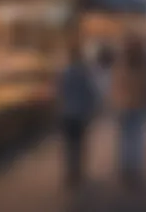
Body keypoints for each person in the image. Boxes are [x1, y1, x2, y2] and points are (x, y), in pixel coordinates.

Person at [111, 35, 146, 185]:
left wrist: (117, 103)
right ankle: (135, 170)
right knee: (137, 141)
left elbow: (116, 86)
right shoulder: (144, 66)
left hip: (124, 106)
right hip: (139, 106)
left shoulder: (121, 65)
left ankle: (126, 170)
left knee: (124, 140)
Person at [57, 43, 97, 188]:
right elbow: (90, 93)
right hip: (80, 114)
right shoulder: (84, 73)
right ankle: (78, 171)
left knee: (68, 145)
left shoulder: (64, 72)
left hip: (66, 113)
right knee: (79, 144)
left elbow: (59, 92)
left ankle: (70, 172)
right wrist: (91, 110)